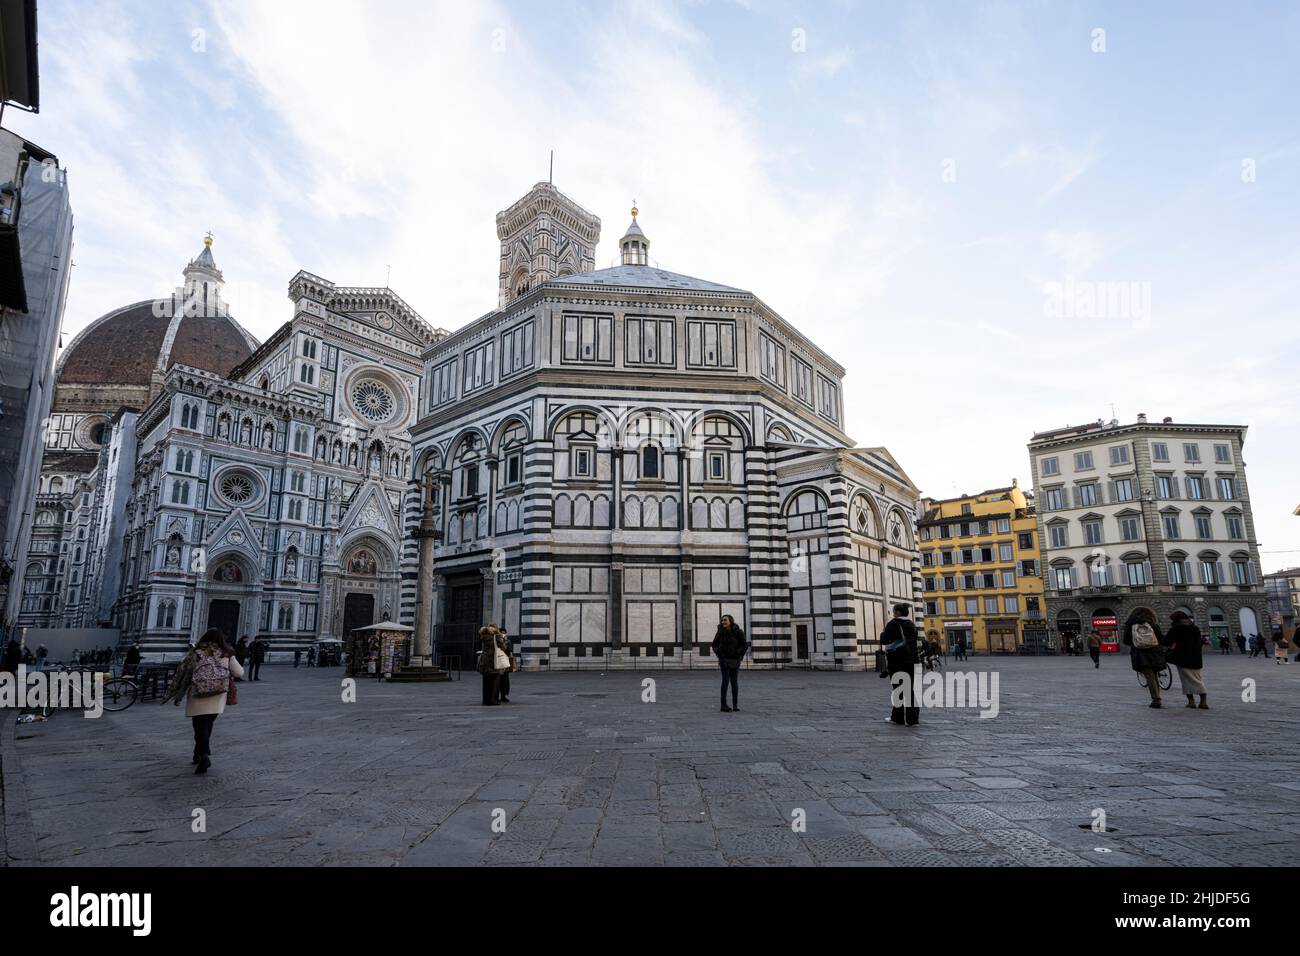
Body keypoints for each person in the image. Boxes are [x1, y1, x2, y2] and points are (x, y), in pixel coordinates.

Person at [184, 628, 244, 775]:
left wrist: (177, 693)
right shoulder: (226, 653)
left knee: (199, 725)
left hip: (198, 693)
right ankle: (200, 753)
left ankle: (202, 754)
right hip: (217, 695)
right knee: (207, 724)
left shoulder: (196, 652)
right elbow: (239, 673)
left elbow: (185, 672)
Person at [881, 603, 920, 726]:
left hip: (897, 661)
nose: (893, 613)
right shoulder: (912, 624)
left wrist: (883, 634)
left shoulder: (893, 624)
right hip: (912, 661)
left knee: (898, 689)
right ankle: (912, 719)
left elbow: (884, 640)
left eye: (894, 611)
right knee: (909, 689)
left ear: (898, 612)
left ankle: (897, 718)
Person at [1163, 610, 1208, 709]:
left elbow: (1166, 641)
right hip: (1196, 658)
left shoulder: (1176, 629)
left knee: (1186, 680)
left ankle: (1192, 702)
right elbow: (1199, 642)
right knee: (1198, 679)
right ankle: (1203, 702)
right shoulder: (1195, 628)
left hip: (1182, 658)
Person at [1122, 608, 1166, 708]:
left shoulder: (1130, 625)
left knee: (1150, 676)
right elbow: (1161, 638)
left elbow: (1126, 641)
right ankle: (1157, 697)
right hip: (1155, 653)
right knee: (1154, 675)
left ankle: (1156, 699)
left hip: (1140, 654)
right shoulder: (1152, 623)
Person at [711, 614, 747, 713]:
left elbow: (744, 645)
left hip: (735, 660)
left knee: (734, 682)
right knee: (725, 682)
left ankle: (735, 705)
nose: (723, 622)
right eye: (722, 620)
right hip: (724, 661)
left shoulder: (738, 632)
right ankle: (723, 705)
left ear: (730, 621)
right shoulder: (720, 632)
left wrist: (738, 654)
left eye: (725, 620)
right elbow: (714, 645)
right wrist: (720, 654)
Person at [477, 626, 509, 705]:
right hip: (494, 661)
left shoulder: (483, 637)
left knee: (486, 681)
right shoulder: (496, 637)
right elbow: (503, 648)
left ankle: (485, 700)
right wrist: (504, 640)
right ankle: (493, 700)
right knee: (495, 680)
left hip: (485, 661)